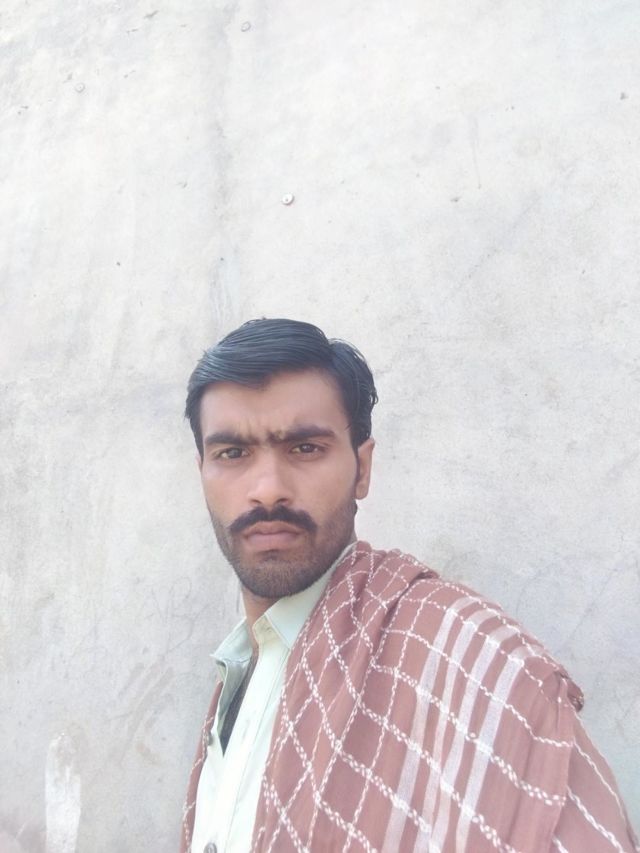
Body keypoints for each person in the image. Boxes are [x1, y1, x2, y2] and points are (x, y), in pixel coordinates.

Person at [180, 318, 637, 853]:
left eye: (304, 448)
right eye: (232, 453)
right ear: (202, 471)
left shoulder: (461, 653)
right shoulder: (236, 674)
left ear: (362, 469)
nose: (267, 489)